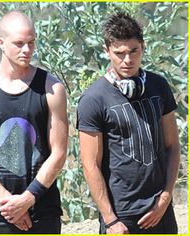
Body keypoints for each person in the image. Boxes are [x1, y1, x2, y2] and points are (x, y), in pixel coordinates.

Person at [0, 11, 68, 234]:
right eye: (19, 44)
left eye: (31, 43)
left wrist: (28, 199)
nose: (27, 50)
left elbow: (59, 152)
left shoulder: (52, 89)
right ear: (0, 43)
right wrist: (8, 203)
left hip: (43, 213)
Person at [77, 12, 180, 234]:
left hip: (161, 210)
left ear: (143, 46)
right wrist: (111, 220)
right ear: (107, 51)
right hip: (122, 216)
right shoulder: (93, 99)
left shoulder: (159, 86)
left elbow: (172, 146)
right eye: (119, 53)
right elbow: (90, 164)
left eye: (134, 51)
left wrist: (165, 198)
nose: (128, 60)